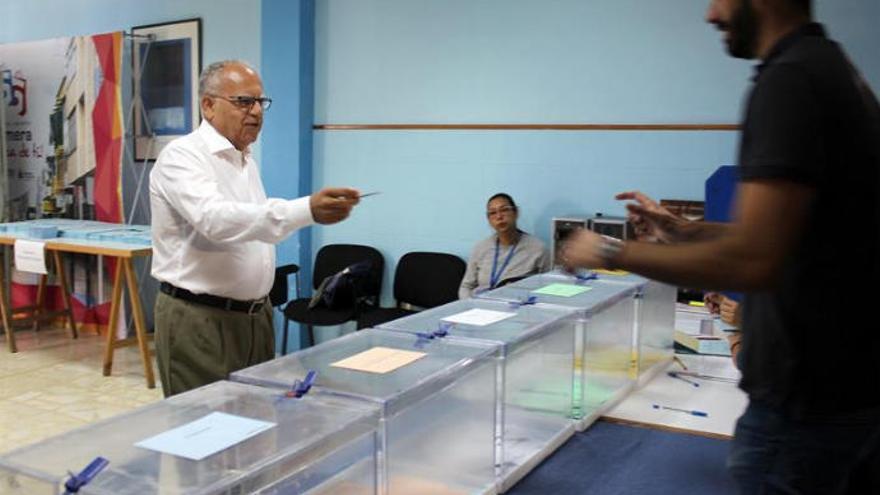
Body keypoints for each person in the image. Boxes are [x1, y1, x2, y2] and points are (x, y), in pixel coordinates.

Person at [561, 1, 880, 493]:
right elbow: (784, 239)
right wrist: (685, 231)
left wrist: (609, 252)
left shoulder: (790, 79)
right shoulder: (830, 67)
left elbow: (753, 261)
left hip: (802, 415)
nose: (711, 14)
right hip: (836, 404)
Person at [150, 60, 361, 397]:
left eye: (261, 102)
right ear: (208, 105)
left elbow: (250, 224)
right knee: (206, 431)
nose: (256, 112)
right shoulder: (182, 157)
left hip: (254, 317)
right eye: (243, 102)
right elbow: (215, 220)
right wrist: (306, 209)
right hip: (200, 318)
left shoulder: (245, 159)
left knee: (253, 422)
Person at [459, 193, 551, 299]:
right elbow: (466, 286)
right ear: (489, 219)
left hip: (517, 307)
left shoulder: (538, 249)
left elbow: (547, 288)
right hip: (480, 307)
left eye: (504, 210)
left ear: (516, 212)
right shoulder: (481, 248)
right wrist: (468, 305)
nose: (499, 217)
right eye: (493, 213)